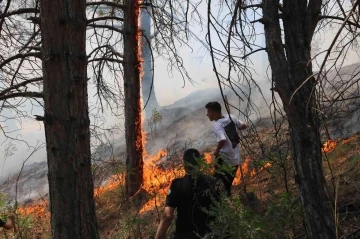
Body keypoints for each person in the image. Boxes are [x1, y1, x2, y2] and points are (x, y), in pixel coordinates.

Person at [155, 148, 223, 239]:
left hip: (184, 236)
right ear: (200, 164)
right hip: (210, 235)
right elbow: (227, 208)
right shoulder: (214, 182)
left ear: (184, 165)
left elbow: (167, 216)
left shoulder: (177, 185)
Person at [205, 101, 247, 196]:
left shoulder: (217, 125)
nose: (207, 115)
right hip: (235, 160)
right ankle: (228, 204)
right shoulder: (231, 117)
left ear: (214, 112)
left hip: (224, 160)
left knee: (217, 185)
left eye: (208, 112)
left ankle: (221, 205)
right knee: (227, 186)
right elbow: (244, 126)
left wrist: (216, 151)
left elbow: (222, 140)